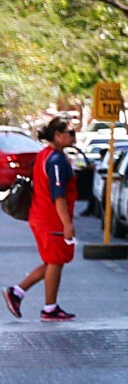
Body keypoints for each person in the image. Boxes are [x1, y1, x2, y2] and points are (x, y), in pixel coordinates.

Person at [7, 119, 79, 321]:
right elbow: (58, 195)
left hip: (41, 216)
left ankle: (18, 292)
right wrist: (67, 224)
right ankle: (49, 308)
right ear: (57, 135)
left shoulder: (44, 155)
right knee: (56, 261)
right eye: (70, 132)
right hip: (51, 218)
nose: (73, 136)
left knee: (54, 261)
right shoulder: (56, 160)